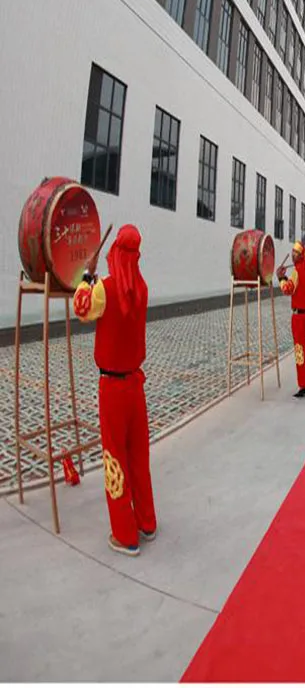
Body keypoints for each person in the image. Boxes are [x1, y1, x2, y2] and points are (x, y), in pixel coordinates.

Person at [73, 225, 156, 557]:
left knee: (115, 460)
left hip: (112, 388)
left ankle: (125, 534)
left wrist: (87, 275)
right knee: (139, 457)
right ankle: (146, 522)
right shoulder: (143, 288)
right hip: (136, 386)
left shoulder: (105, 290)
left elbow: (81, 307)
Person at [278, 241, 305, 398]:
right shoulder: (304, 269)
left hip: (298, 317)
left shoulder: (297, 271)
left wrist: (280, 278)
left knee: (300, 350)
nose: (292, 256)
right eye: (292, 252)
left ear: (301, 256)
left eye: (295, 253)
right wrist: (286, 276)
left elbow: (288, 289)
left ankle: (303, 386)